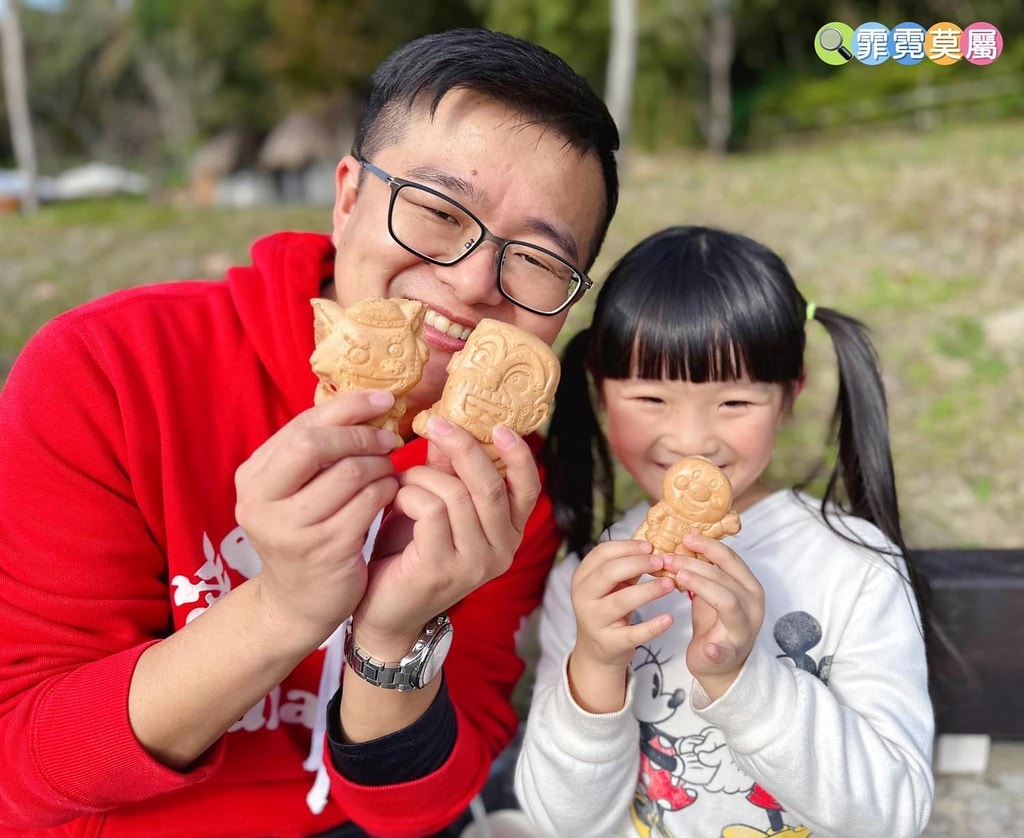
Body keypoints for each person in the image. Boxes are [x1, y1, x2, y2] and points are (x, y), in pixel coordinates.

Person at [0, 28, 619, 836]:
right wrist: (283, 607)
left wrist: (395, 636)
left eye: (537, 260)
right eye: (436, 212)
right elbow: (25, 771)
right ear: (348, 196)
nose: (471, 283)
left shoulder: (506, 485)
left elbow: (419, 809)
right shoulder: (110, 372)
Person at [515, 226, 935, 837]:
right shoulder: (594, 581)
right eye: (650, 399)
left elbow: (893, 816)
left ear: (790, 396)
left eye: (734, 403)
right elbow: (564, 826)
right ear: (601, 395)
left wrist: (741, 677)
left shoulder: (857, 569)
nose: (691, 439)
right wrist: (598, 668)